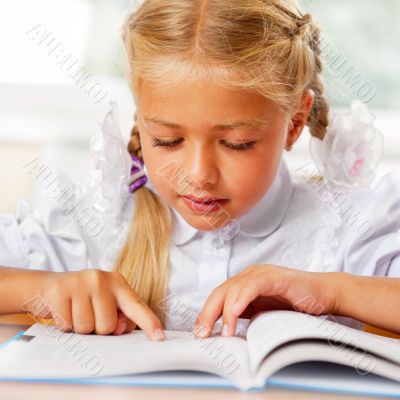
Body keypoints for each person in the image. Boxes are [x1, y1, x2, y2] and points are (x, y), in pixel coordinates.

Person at [0, 0, 399, 341]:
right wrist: (42, 287)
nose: (198, 174)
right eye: (168, 140)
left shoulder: (350, 227)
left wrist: (334, 291)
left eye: (237, 143)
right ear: (142, 120)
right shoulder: (94, 220)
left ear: (294, 123)